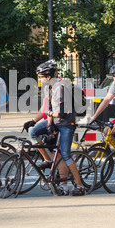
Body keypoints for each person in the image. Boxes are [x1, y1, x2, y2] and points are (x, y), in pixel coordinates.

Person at [26, 60, 86, 196]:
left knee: (65, 154)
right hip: (56, 122)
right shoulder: (49, 88)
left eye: (40, 77)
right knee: (33, 131)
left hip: (66, 125)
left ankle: (80, 186)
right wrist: (47, 125)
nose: (39, 80)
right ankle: (50, 164)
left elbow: (61, 113)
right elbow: (49, 108)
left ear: (48, 77)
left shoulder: (61, 88)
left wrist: (49, 117)